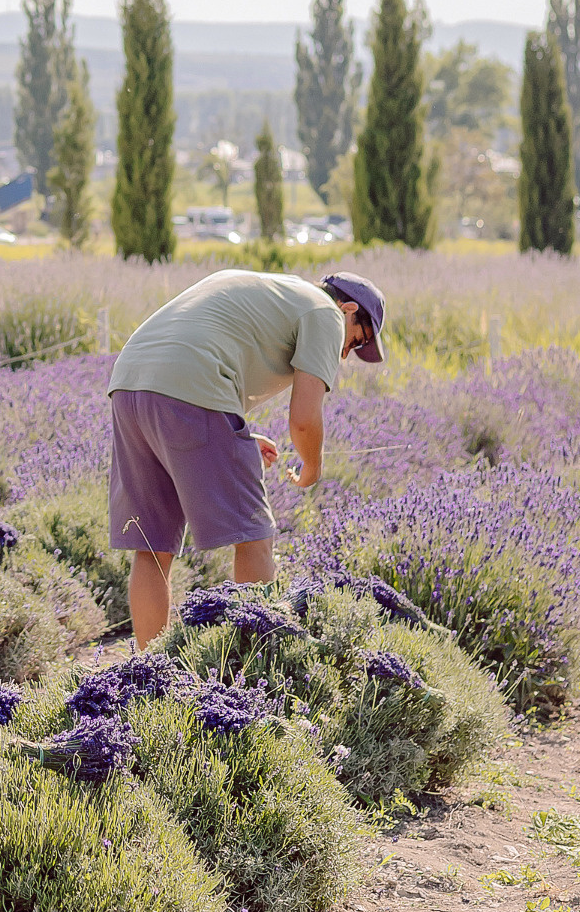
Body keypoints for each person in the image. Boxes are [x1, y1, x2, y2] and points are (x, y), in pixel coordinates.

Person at [106, 269, 386, 648]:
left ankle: (147, 673)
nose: (348, 351)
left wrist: (234, 436)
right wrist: (313, 466)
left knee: (152, 547)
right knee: (255, 537)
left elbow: (193, 354)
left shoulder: (272, 289)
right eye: (359, 338)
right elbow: (303, 420)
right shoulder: (326, 313)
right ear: (348, 308)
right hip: (193, 388)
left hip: (128, 384)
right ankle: (256, 667)